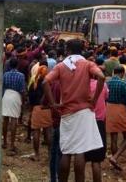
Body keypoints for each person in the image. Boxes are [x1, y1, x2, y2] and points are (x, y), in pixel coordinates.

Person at [43, 39, 105, 182]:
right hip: (84, 111)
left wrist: (53, 104)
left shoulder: (60, 66)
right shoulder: (88, 64)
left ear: (68, 50)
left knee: (66, 151)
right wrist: (94, 100)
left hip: (67, 112)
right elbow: (101, 76)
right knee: (80, 151)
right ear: (82, 50)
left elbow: (45, 82)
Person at [106, 66, 126, 171]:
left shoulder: (107, 83)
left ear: (114, 72)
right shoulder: (123, 84)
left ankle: (114, 158)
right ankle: (115, 157)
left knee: (113, 136)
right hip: (120, 109)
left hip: (109, 108)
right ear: (122, 73)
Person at [84, 71, 109, 182]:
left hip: (84, 122)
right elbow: (106, 96)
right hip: (99, 121)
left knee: (82, 156)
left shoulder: (81, 86)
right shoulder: (103, 85)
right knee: (96, 160)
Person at [2, 58, 25, 155]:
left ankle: (4, 142)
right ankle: (12, 144)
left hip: (6, 95)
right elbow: (22, 89)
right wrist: (23, 100)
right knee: (14, 119)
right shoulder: (21, 75)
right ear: (17, 65)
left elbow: (2, 86)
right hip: (16, 96)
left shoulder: (5, 75)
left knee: (5, 119)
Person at [29, 65, 53, 161]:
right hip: (47, 109)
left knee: (36, 132)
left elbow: (30, 98)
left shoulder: (33, 82)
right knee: (48, 132)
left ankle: (37, 154)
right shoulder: (49, 83)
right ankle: (50, 154)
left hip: (36, 108)